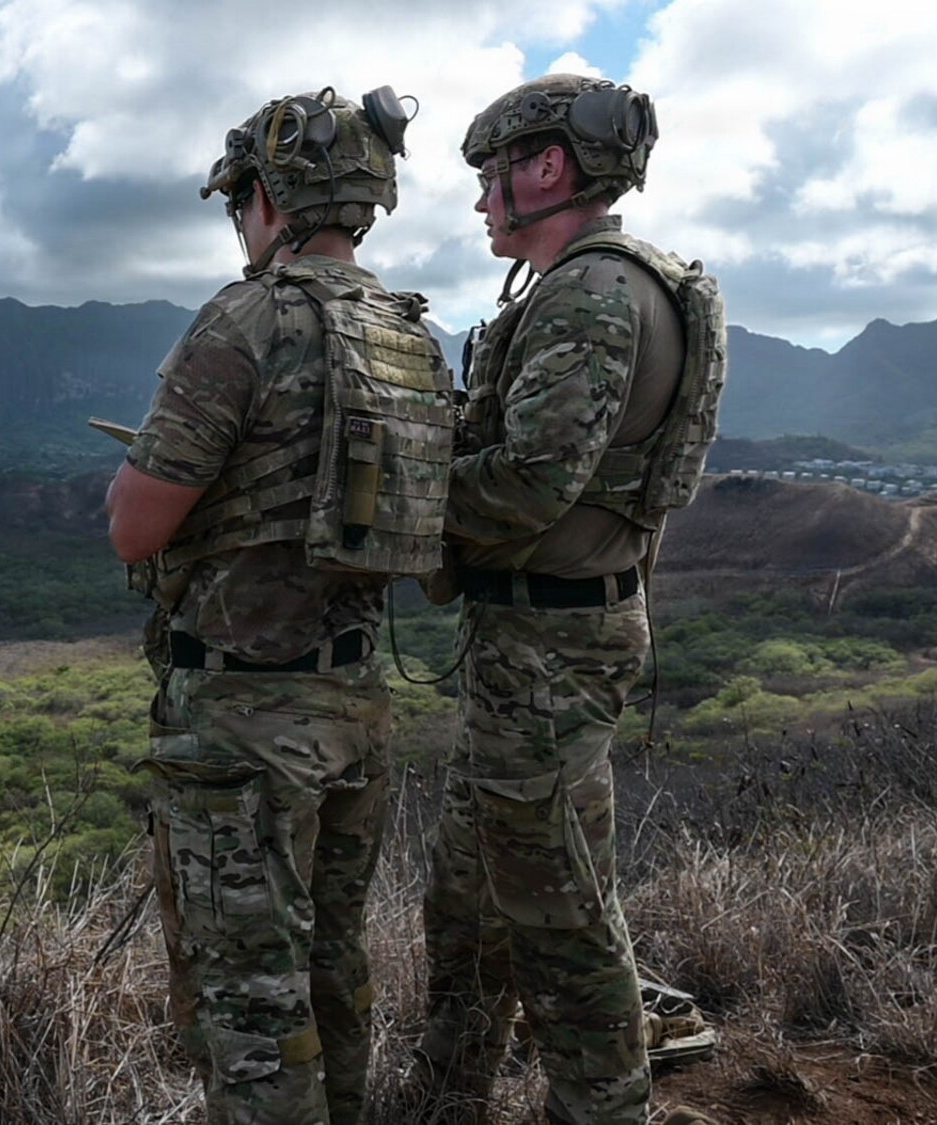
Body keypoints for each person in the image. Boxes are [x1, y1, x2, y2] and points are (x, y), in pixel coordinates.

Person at [105, 86, 453, 1125]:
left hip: (244, 726)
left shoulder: (244, 319)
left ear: (264, 198)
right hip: (355, 704)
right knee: (330, 971)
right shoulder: (409, 335)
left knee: (247, 1004)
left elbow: (136, 526)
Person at [413, 74, 726, 1124]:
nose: (479, 201)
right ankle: (446, 1092)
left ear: (546, 166)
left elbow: (526, 485)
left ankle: (601, 1105)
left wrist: (389, 492)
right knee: (466, 896)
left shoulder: (592, 295)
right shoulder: (594, 287)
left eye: (489, 175)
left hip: (548, 647)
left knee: (556, 919)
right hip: (529, 641)